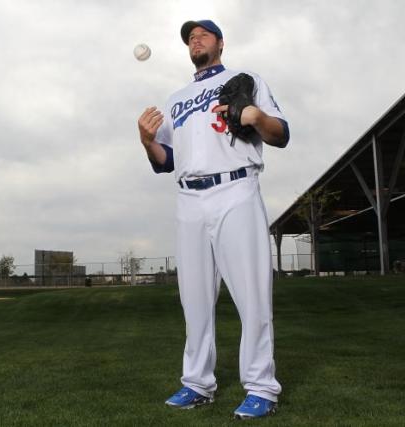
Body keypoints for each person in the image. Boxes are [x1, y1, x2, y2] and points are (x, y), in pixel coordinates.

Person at [137, 20, 289, 419]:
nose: (195, 39)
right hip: (189, 198)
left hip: (236, 190)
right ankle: (197, 384)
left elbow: (280, 134)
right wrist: (148, 141)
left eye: (203, 34)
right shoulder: (177, 98)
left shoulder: (246, 79)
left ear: (220, 42)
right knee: (195, 300)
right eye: (190, 37)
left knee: (252, 296)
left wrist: (255, 116)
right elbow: (166, 162)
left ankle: (261, 388)